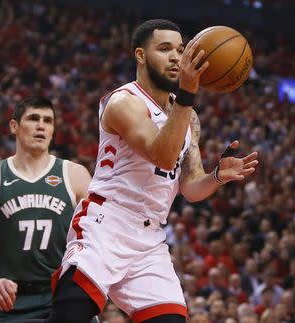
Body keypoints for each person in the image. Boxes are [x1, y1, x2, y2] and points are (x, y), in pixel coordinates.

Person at [43, 19, 258, 323]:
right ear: (140, 55)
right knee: (71, 315)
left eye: (181, 50)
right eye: (165, 48)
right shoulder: (123, 102)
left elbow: (190, 187)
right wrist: (187, 93)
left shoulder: (188, 115)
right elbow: (162, 156)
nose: (176, 57)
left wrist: (217, 176)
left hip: (150, 239)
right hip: (106, 224)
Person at [0, 96, 92, 322]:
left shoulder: (75, 175)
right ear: (14, 126)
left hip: (63, 298)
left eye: (48, 121)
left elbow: (97, 239)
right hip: (9, 300)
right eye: (33, 119)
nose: (41, 126)